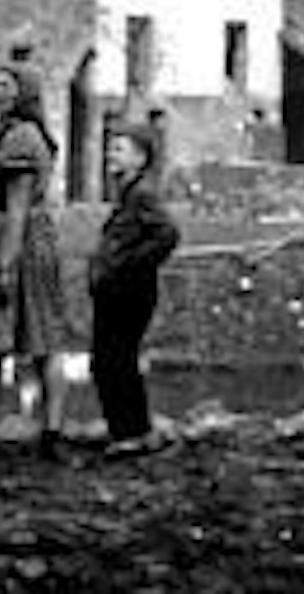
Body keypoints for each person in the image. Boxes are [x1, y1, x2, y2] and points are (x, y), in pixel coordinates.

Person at [0, 63, 73, 460]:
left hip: (20, 238)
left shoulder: (22, 138)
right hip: (12, 231)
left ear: (24, 91)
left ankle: (47, 430)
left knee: (34, 338)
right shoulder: (9, 133)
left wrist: (5, 262)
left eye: (6, 86)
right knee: (0, 341)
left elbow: (18, 205)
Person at [91, 121, 182, 457]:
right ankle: (131, 430)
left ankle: (130, 433)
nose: (108, 155)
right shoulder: (128, 194)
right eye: (110, 148)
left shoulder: (141, 194)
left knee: (113, 361)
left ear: (140, 159)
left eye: (118, 150)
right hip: (117, 290)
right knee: (113, 360)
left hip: (129, 292)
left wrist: (130, 265)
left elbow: (167, 234)